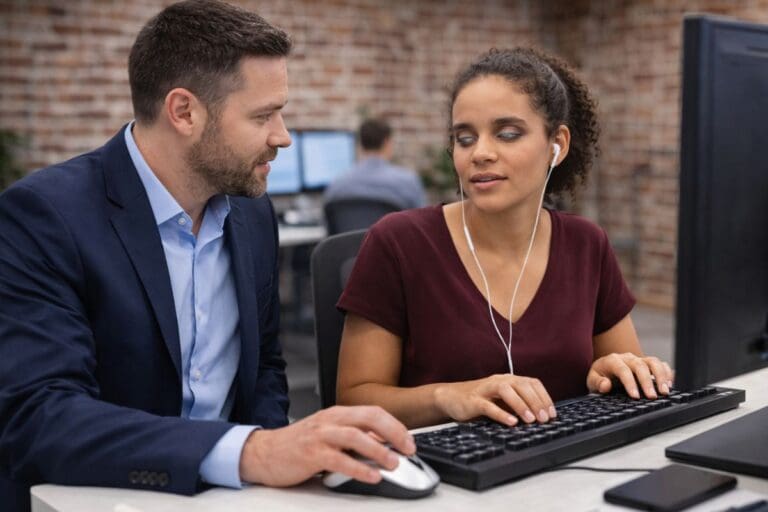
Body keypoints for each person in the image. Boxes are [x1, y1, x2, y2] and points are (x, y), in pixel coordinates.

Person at [0, 2, 413, 511]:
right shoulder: (44, 217)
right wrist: (250, 452)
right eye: (263, 115)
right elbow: (40, 416)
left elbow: (264, 369)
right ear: (184, 112)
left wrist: (275, 475)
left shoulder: (250, 215)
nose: (282, 136)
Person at [335, 47, 674, 429]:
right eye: (464, 139)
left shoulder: (586, 245)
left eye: (507, 134)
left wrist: (617, 373)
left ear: (557, 145)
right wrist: (449, 396)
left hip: (564, 472)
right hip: (445, 476)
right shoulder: (399, 242)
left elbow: (625, 382)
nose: (480, 153)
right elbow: (354, 400)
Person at [324, 118, 427, 210]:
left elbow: (332, 229)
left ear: (360, 144)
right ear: (387, 142)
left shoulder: (337, 184)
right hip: (390, 232)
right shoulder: (408, 182)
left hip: (354, 232)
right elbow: (421, 223)